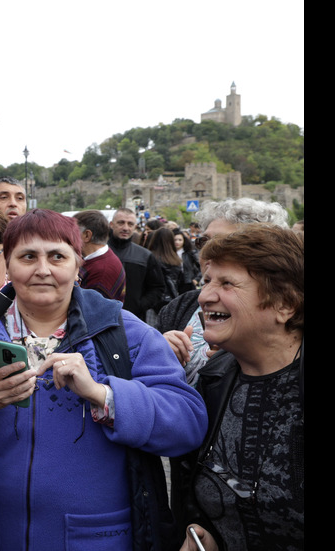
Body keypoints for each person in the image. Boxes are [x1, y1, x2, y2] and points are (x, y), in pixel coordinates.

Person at [0, 209, 207, 551]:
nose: (43, 269)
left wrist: (104, 395)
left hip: (98, 537)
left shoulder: (124, 332)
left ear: (78, 264)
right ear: (8, 266)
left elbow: (187, 423)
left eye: (57, 256)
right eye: (28, 257)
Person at [172, 224, 303, 551]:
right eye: (206, 282)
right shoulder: (212, 381)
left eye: (227, 283)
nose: (204, 296)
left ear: (284, 304)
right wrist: (206, 534)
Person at [158, 198, 289, 386]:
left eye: (223, 243)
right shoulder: (182, 305)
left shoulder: (280, 314)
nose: (207, 253)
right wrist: (159, 351)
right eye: (204, 242)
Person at [109, 207, 165, 321]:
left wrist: (139, 305)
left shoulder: (145, 256)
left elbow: (157, 288)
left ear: (135, 227)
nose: (125, 228)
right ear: (111, 225)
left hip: (134, 319)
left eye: (130, 224)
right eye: (121, 223)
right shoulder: (99, 252)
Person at [74, 209, 126, 303]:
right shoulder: (97, 259)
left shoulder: (102, 272)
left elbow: (91, 311)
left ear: (87, 235)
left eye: (73, 233)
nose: (70, 238)